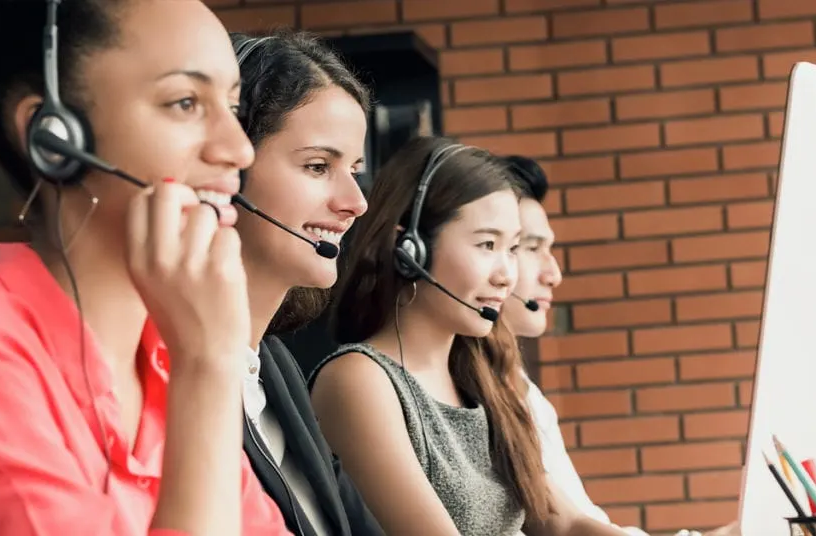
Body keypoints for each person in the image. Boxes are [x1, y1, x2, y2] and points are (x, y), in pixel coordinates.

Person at [0, 1, 291, 534]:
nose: (239, 149)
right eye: (185, 102)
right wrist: (210, 367)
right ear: (53, 136)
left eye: (233, 107)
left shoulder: (167, 355)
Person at [305, 136, 638, 535]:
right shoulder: (359, 380)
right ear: (409, 250)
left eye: (512, 248)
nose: (506, 274)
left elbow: (564, 524)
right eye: (486, 244)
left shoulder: (480, 374)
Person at [499, 156, 727, 536]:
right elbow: (568, 527)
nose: (553, 274)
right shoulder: (474, 391)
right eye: (531, 247)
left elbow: (579, 521)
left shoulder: (516, 385)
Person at [230, 30, 384, 536]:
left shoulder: (275, 370)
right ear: (225, 173)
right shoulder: (165, 374)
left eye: (355, 169)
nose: (356, 202)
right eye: (319, 166)